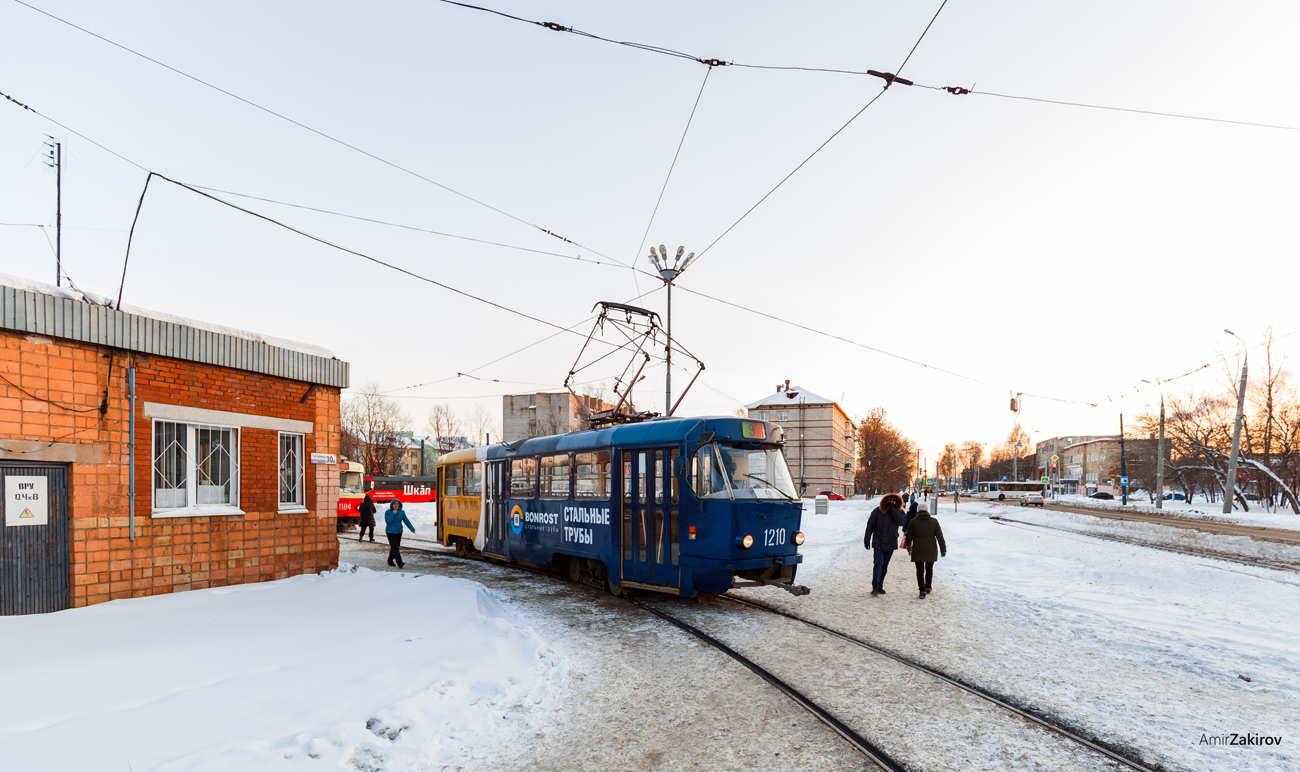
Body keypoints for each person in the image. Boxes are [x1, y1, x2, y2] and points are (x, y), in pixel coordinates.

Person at [864, 493, 906, 596]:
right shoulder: (877, 511)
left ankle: (880, 585)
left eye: (894, 501)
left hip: (891, 542)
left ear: (897, 502)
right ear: (885, 501)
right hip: (878, 542)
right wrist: (867, 539)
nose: (891, 503)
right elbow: (870, 526)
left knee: (884, 566)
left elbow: (901, 522)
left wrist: (893, 509)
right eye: (889, 501)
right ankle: (875, 586)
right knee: (878, 563)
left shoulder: (899, 512)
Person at [904, 500, 947, 599]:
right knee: (929, 569)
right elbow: (940, 536)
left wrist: (908, 546)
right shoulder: (934, 521)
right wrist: (943, 549)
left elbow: (908, 536)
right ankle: (928, 587)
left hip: (918, 548)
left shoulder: (913, 521)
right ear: (927, 511)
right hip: (931, 548)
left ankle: (922, 591)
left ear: (918, 511)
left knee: (919, 570)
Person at [384, 499, 415, 568]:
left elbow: (406, 521)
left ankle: (390, 560)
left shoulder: (402, 512)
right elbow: (388, 522)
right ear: (391, 505)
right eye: (394, 504)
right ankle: (400, 563)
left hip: (399, 532)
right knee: (395, 547)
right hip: (390, 532)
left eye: (397, 504)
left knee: (395, 547)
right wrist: (393, 514)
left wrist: (412, 528)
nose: (396, 505)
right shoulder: (388, 512)